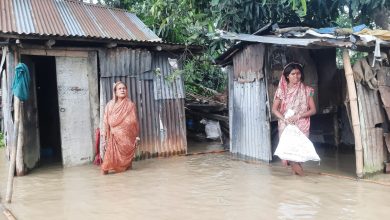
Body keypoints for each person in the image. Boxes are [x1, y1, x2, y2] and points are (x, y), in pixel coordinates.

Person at [271, 62, 316, 176]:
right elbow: (274, 110)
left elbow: (313, 110)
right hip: (286, 125)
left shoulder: (307, 90)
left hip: (301, 125)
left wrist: (298, 116)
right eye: (293, 74)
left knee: (298, 156)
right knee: (290, 157)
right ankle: (305, 180)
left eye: (298, 73)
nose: (296, 76)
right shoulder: (281, 91)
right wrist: (285, 119)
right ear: (287, 76)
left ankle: (299, 183)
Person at [101, 81, 139, 175]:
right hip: (113, 136)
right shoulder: (110, 105)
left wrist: (135, 136)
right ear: (115, 92)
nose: (122, 90)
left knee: (128, 163)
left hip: (127, 137)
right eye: (120, 89)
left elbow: (134, 121)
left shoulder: (130, 105)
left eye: (124, 88)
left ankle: (127, 179)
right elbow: (106, 121)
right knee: (106, 166)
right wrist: (104, 137)